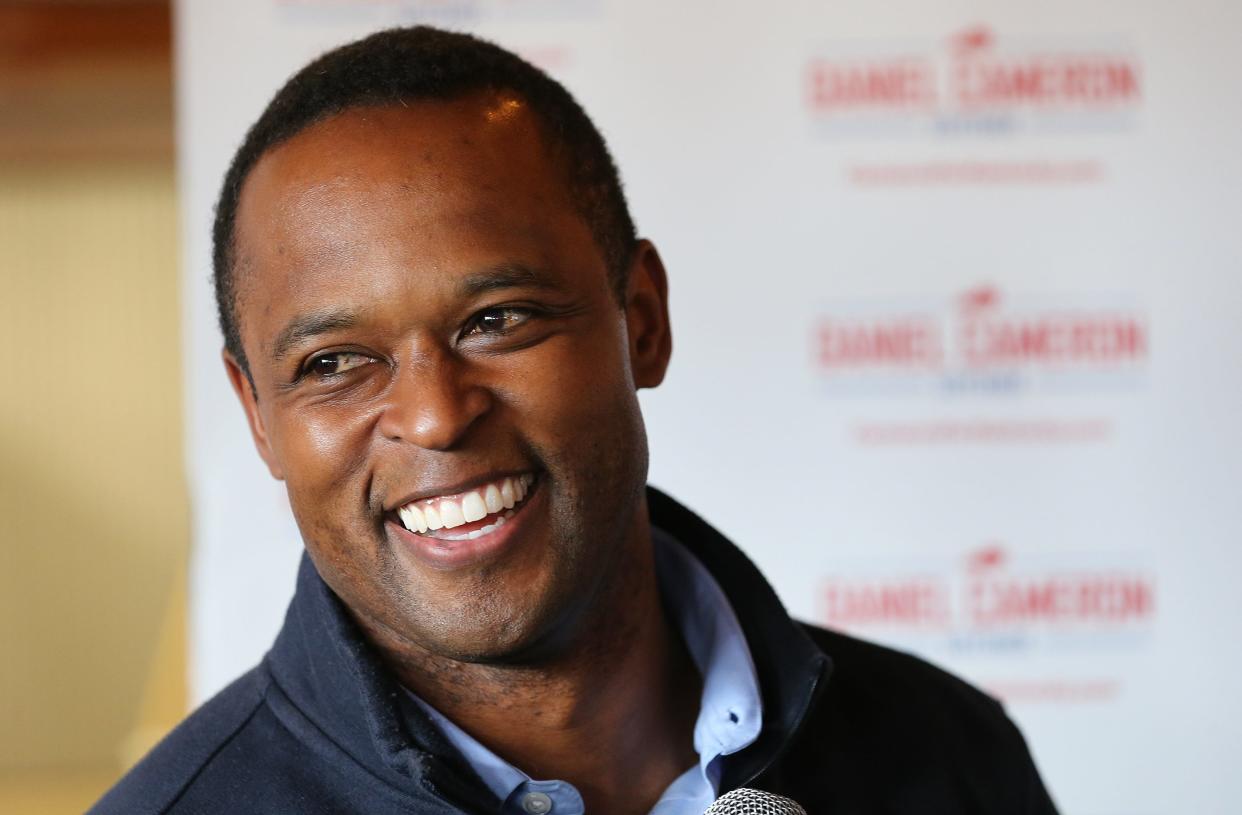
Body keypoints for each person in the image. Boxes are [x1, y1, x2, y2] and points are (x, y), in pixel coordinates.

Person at [91, 26, 1058, 815]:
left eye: (497, 320)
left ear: (641, 319)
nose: (433, 416)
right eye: (334, 364)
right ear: (257, 415)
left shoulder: (943, 750)